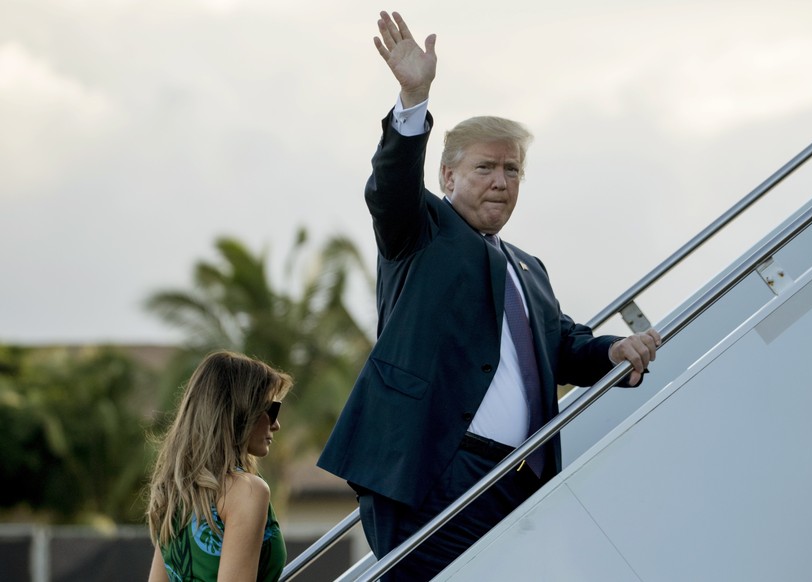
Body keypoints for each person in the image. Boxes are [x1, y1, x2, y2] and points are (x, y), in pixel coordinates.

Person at [317, 11, 662, 581]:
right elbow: (391, 188)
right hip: (434, 468)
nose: (501, 181)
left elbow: (564, 346)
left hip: (519, 477)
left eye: (512, 169)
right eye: (485, 168)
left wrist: (612, 353)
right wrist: (413, 98)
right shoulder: (422, 228)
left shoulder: (528, 268)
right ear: (448, 178)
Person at [146, 350, 292, 582]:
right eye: (271, 410)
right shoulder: (247, 491)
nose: (276, 425)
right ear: (241, 413)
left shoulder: (176, 493)